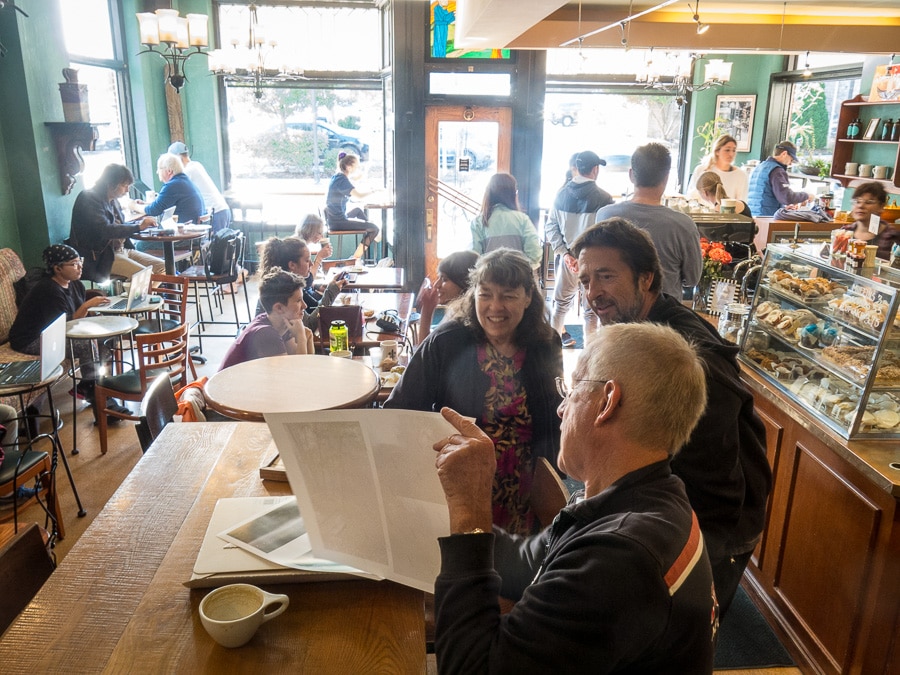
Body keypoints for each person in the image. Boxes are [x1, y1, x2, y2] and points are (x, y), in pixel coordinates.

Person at [431, 322, 717, 673]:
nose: (560, 409)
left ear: (607, 402)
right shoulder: (642, 495)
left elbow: (470, 669)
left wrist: (469, 519)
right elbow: (525, 563)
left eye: (571, 388)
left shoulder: (622, 557)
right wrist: (436, 519)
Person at [571, 217, 771, 617]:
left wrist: (695, 554)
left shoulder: (688, 357)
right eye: (586, 280)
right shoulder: (637, 333)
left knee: (681, 636)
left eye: (606, 276)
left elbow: (716, 482)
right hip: (673, 512)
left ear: (646, 279)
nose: (594, 292)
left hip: (713, 524)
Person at [385, 248, 563, 535]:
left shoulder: (545, 343)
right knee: (468, 555)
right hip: (464, 476)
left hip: (526, 479)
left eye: (508, 295)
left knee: (517, 563)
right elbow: (400, 411)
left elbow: (553, 409)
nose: (495, 306)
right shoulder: (447, 341)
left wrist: (557, 471)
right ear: (473, 294)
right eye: (486, 293)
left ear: (528, 297)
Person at [8, 244, 128, 416]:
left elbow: (75, 322)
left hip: (53, 333)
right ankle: (99, 400)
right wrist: (87, 306)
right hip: (31, 340)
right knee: (87, 345)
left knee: (107, 339)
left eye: (80, 261)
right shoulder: (48, 290)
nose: (80, 267)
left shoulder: (74, 284)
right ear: (57, 268)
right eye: (73, 264)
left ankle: (92, 387)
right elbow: (65, 327)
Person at [596, 143, 702, 300]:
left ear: (631, 175)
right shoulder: (684, 225)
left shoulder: (605, 216)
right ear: (666, 178)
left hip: (616, 314)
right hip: (664, 317)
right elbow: (692, 279)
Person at [545, 150, 614, 347]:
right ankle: (589, 357)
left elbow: (551, 227)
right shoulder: (605, 199)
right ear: (595, 170)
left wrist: (565, 254)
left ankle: (552, 353)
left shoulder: (560, 195)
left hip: (569, 261)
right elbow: (607, 235)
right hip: (595, 263)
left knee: (560, 305)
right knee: (591, 310)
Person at [67, 163, 165, 281]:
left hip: (122, 250)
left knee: (163, 267)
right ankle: (133, 296)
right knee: (146, 276)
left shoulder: (113, 200)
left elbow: (119, 227)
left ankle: (140, 295)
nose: (127, 190)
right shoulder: (88, 198)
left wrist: (141, 226)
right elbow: (105, 230)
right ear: (110, 184)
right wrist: (138, 227)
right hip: (102, 257)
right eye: (124, 185)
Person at [219, 268, 313, 371]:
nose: (305, 305)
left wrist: (307, 338)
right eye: (298, 301)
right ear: (279, 308)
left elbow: (301, 365)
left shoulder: (280, 323)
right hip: (229, 385)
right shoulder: (266, 333)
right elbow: (296, 375)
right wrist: (301, 338)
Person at [257, 236, 346, 332]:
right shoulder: (284, 289)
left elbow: (314, 306)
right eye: (307, 260)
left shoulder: (291, 283)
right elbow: (309, 325)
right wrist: (330, 292)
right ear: (292, 265)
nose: (311, 265)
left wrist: (329, 290)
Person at [469, 173, 542, 271]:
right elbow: (534, 254)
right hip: (518, 281)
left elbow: (473, 258)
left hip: (488, 279)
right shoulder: (522, 219)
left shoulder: (479, 222)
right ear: (514, 194)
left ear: (488, 193)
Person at [414, 250, 479, 345]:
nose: (436, 285)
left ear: (464, 281)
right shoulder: (456, 310)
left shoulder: (459, 323)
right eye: (438, 278)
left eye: (444, 279)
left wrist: (427, 312)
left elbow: (423, 355)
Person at [323, 152, 379, 259]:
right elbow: (358, 196)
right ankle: (355, 258)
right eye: (356, 167)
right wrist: (374, 190)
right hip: (338, 222)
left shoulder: (337, 177)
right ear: (349, 167)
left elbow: (355, 180)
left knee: (358, 210)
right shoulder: (342, 180)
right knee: (375, 228)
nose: (357, 169)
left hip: (334, 219)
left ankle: (370, 231)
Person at [167, 141, 231, 232]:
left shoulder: (187, 171)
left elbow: (173, 190)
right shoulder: (196, 165)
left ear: (178, 157)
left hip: (216, 212)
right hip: (221, 210)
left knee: (216, 245)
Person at [134, 153, 206, 227]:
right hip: (193, 230)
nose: (157, 172)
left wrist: (134, 206)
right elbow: (161, 204)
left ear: (169, 171)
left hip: (185, 232)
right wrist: (146, 204)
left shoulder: (173, 185)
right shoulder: (183, 181)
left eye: (159, 168)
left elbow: (154, 210)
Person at [835, 181, 899, 260]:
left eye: (869, 202)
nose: (861, 205)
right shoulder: (845, 232)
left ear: (881, 206)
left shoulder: (891, 236)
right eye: (857, 201)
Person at [747, 140, 811, 217]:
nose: (790, 163)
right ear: (784, 154)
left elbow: (765, 194)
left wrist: (783, 207)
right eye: (791, 159)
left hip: (753, 215)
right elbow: (786, 197)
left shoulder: (760, 167)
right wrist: (806, 195)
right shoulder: (777, 171)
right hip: (767, 218)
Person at [688, 134, 749, 203]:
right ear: (717, 151)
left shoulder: (740, 175)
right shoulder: (702, 170)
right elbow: (692, 196)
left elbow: (742, 202)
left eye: (734, 150)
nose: (731, 154)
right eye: (727, 150)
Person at [294, 213, 334, 308]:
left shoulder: (302, 244)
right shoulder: (298, 247)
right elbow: (306, 281)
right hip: (301, 296)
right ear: (310, 231)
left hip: (306, 291)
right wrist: (319, 258)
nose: (321, 236)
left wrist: (317, 286)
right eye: (319, 233)